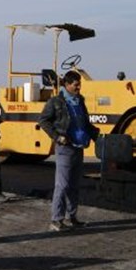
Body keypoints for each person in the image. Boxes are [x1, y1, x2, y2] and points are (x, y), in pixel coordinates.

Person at [38, 70, 100, 232]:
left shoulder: (80, 101)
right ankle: (56, 220)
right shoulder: (56, 102)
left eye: (79, 84)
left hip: (79, 147)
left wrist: (97, 136)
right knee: (62, 185)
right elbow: (43, 121)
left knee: (74, 185)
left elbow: (85, 123)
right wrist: (57, 137)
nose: (79, 87)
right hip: (65, 148)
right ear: (67, 84)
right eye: (76, 84)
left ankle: (71, 217)